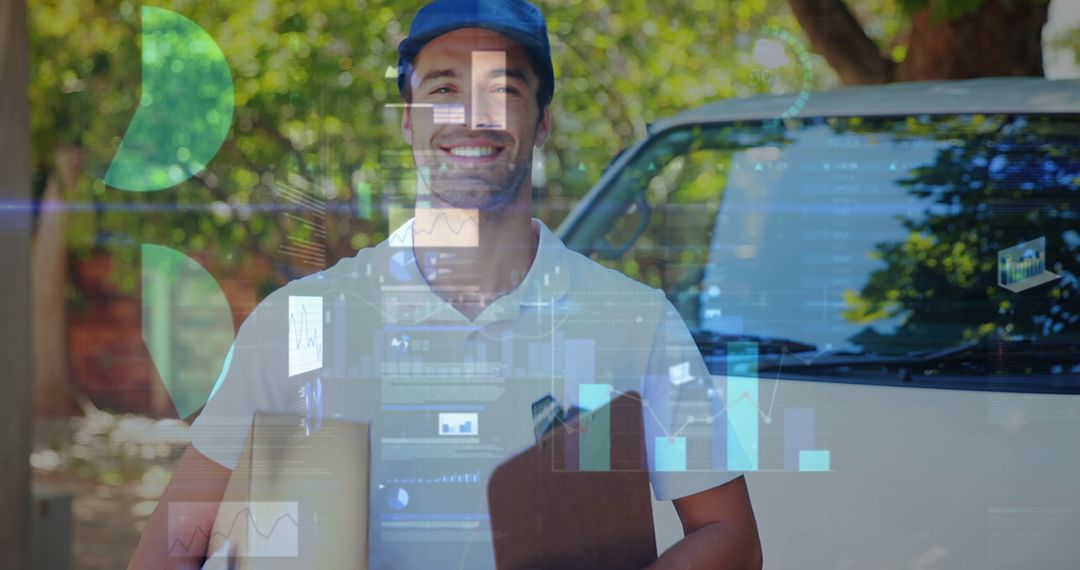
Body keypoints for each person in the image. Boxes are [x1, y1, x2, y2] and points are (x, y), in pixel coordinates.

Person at [128, 0, 762, 568]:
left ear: (542, 123)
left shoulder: (637, 322)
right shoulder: (297, 323)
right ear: (408, 120)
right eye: (443, 86)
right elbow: (171, 547)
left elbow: (730, 536)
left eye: (504, 87)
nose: (471, 115)